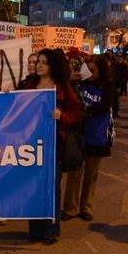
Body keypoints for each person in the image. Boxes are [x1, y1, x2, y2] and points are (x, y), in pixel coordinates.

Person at [21, 48, 81, 244]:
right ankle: (35, 229)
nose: (39, 65)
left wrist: (62, 116)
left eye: (44, 62)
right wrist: (7, 96)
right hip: (30, 145)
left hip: (53, 144)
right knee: (32, 187)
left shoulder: (62, 87)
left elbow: (76, 111)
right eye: (38, 61)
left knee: (51, 187)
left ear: (52, 66)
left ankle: (51, 229)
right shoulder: (29, 85)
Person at [63, 54, 114, 222]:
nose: (89, 74)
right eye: (87, 70)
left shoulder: (107, 86)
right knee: (75, 172)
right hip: (79, 133)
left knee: (91, 174)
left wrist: (87, 112)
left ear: (101, 70)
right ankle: (70, 207)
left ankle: (87, 207)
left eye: (93, 70)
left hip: (97, 134)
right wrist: (70, 79)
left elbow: (105, 105)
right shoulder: (79, 83)